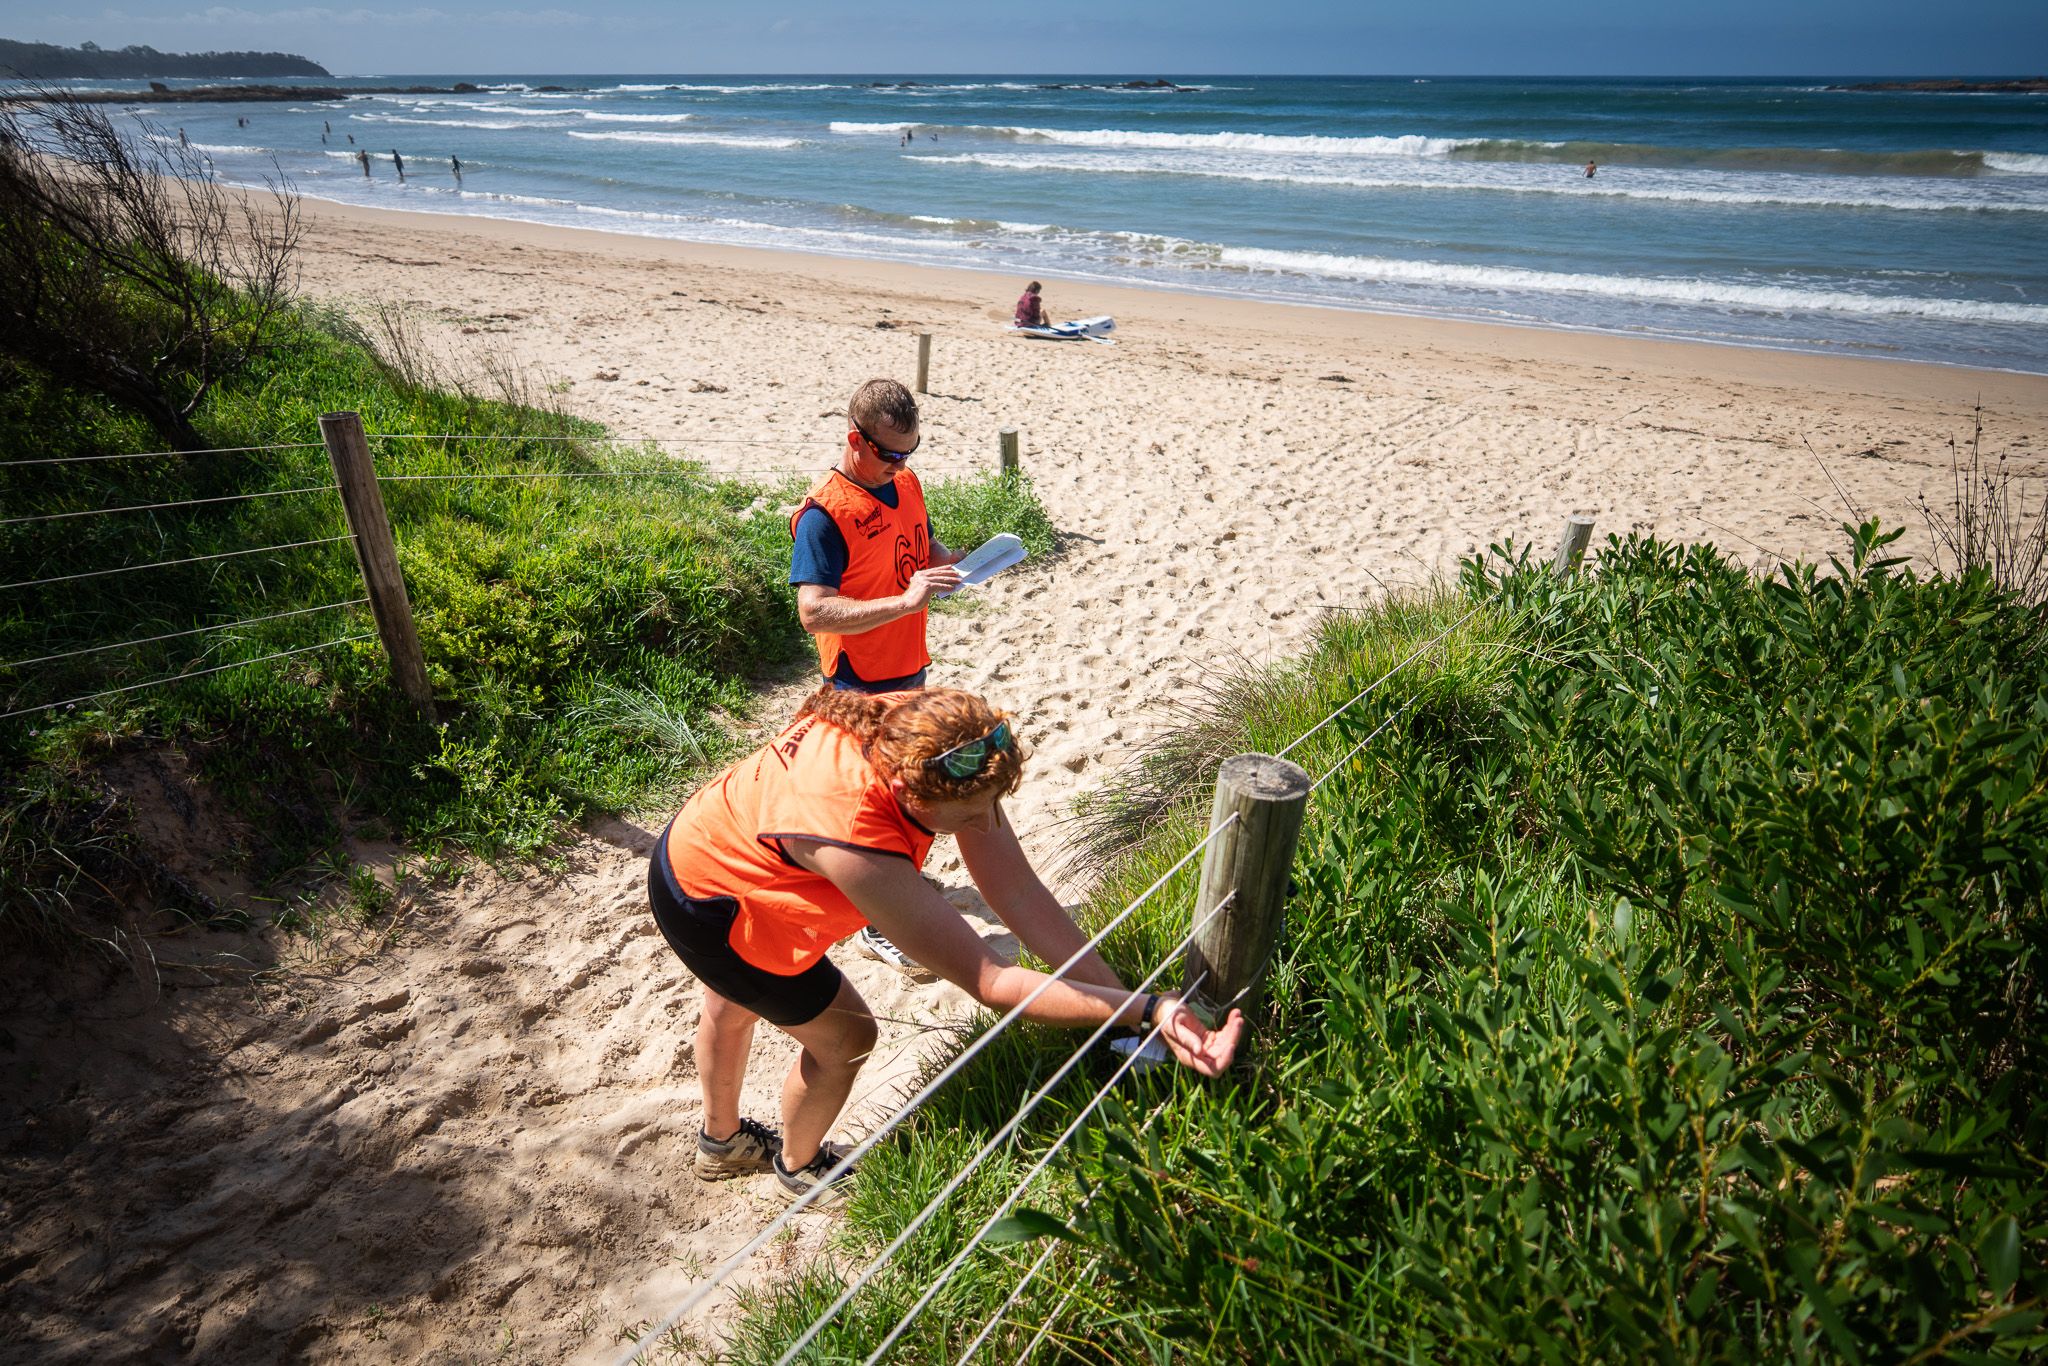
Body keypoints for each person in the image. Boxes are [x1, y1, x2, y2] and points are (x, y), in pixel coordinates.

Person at [652, 685, 1246, 1204]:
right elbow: (990, 981)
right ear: (912, 795)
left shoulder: (936, 739)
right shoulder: (857, 839)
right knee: (848, 1038)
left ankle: (720, 1143)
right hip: (716, 908)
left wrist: (1122, 1015)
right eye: (968, 817)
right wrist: (1150, 1009)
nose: (987, 827)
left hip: (702, 839)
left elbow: (1016, 893)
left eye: (995, 807)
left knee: (730, 1004)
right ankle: (800, 1168)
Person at [790, 378, 965, 973]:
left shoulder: (906, 482)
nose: (900, 464)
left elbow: (921, 544)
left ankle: (896, 893)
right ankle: (874, 922)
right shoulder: (822, 516)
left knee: (907, 788)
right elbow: (813, 611)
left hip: (909, 666)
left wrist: (953, 563)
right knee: (868, 804)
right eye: (889, 453)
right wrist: (903, 602)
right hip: (858, 682)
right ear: (854, 441)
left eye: (909, 452)